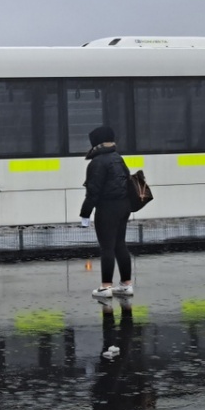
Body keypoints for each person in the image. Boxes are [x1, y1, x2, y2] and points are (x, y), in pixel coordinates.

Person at [80, 125, 133, 299]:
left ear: (96, 143)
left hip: (107, 209)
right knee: (120, 245)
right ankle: (126, 284)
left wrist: (85, 213)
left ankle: (106, 287)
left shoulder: (97, 162)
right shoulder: (118, 158)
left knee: (107, 248)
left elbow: (93, 191)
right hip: (123, 206)